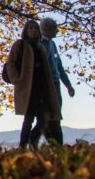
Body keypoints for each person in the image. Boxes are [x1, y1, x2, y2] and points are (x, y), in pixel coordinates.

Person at [7, 20, 61, 149]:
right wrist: (16, 79)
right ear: (26, 31)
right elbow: (11, 63)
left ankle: (31, 141)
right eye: (30, 28)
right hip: (28, 88)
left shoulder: (40, 47)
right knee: (29, 119)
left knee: (44, 119)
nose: (33, 30)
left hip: (41, 87)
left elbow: (47, 68)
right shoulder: (20, 45)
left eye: (35, 28)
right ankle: (23, 145)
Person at [39, 17, 75, 145]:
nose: (57, 31)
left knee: (56, 114)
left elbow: (59, 66)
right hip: (46, 85)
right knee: (48, 116)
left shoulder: (52, 44)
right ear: (47, 29)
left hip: (55, 83)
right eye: (55, 28)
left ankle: (56, 144)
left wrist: (68, 85)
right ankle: (55, 143)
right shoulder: (40, 45)